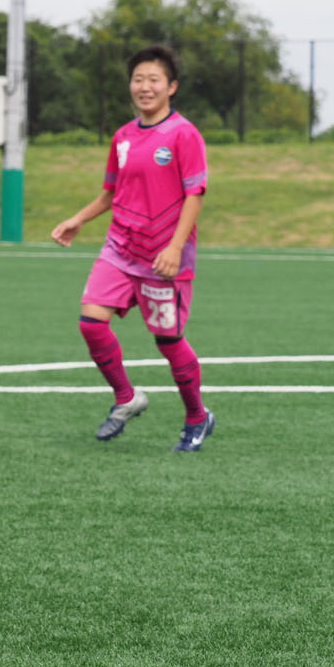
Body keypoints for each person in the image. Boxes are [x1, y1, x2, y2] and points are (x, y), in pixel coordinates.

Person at [50, 45, 214, 452]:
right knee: (91, 322)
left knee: (168, 342)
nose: (145, 87)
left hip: (162, 258)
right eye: (138, 79)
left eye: (154, 80)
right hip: (120, 248)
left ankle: (197, 416)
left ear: (171, 87)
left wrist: (175, 248)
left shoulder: (184, 134)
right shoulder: (122, 136)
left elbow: (195, 194)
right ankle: (126, 398)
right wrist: (78, 219)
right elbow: (111, 192)